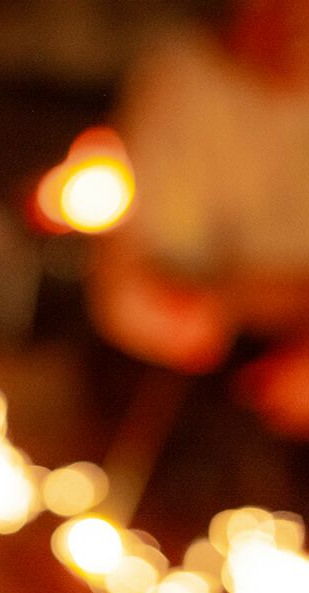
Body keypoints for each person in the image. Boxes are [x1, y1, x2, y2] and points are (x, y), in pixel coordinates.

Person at [88, 0, 309, 438]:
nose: (292, 22)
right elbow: (127, 272)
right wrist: (178, 316)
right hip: (182, 375)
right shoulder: (179, 78)